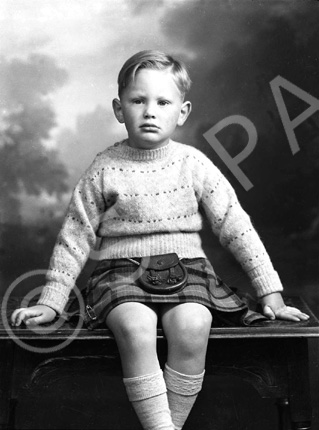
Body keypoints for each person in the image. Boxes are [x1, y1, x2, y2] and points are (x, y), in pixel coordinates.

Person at [11, 50, 309, 430]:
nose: (150, 111)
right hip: (120, 273)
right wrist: (52, 301)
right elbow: (75, 236)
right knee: (135, 327)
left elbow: (237, 226)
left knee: (193, 325)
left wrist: (271, 294)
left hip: (188, 270)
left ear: (182, 112)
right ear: (120, 110)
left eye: (162, 102)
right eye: (138, 101)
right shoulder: (104, 167)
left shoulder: (194, 163)